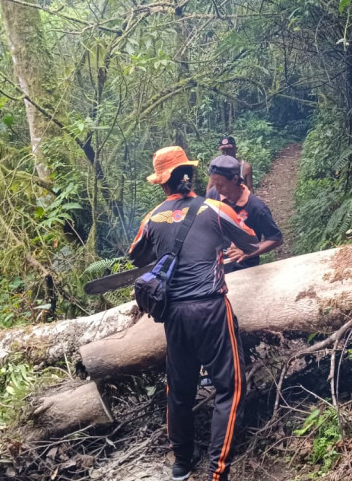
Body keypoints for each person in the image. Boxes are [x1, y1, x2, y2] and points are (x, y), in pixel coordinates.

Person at [128, 146, 259, 481]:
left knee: (180, 390)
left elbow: (136, 255)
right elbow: (250, 242)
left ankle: (182, 463)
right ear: (189, 174)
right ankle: (218, 472)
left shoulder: (152, 217)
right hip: (212, 308)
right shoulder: (214, 208)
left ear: (163, 183)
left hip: (173, 315)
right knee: (230, 388)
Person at [206, 155, 282, 270]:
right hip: (216, 267)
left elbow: (276, 238)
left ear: (235, 179)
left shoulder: (256, 208)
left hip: (244, 269)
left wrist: (248, 252)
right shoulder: (213, 195)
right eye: (214, 184)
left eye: (220, 185)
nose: (216, 189)